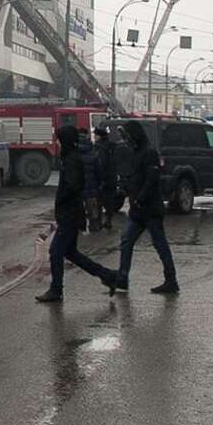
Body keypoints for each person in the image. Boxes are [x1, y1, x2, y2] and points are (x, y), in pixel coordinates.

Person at [34, 124, 120, 303]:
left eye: (59, 140)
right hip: (71, 213)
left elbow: (73, 185)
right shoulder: (70, 158)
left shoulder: (72, 159)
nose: (57, 143)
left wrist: (62, 201)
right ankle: (108, 275)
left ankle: (56, 290)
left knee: (56, 252)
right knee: (71, 253)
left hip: (70, 214)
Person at [114, 120, 179, 295]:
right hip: (139, 209)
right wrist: (126, 188)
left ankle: (171, 280)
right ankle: (122, 278)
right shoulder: (136, 152)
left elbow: (151, 180)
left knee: (160, 245)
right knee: (126, 241)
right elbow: (137, 178)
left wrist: (139, 199)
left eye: (127, 137)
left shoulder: (149, 153)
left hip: (150, 209)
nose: (126, 141)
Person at [84, 126, 118, 233]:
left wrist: (99, 179)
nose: (95, 137)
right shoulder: (112, 146)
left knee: (98, 202)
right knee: (109, 202)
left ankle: (98, 224)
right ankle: (108, 221)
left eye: (96, 135)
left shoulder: (100, 148)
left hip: (103, 180)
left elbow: (100, 165)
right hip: (112, 179)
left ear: (100, 136)